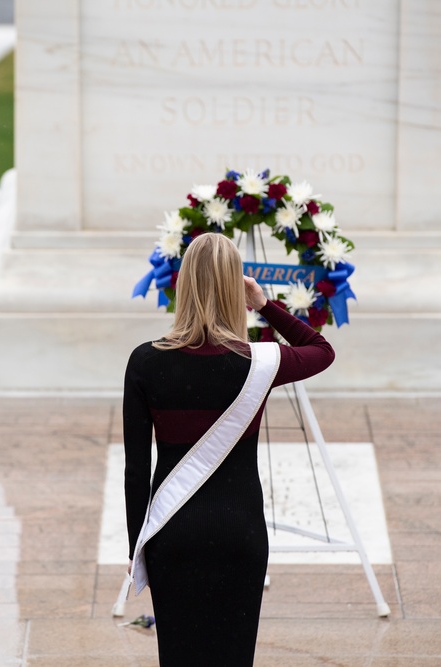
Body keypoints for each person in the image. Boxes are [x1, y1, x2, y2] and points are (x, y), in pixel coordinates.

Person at [123, 232, 335, 666]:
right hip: (240, 531)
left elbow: (136, 470)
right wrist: (263, 303)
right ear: (233, 289)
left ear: (182, 286)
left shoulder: (144, 361)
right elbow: (321, 350)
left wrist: (137, 549)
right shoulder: (261, 360)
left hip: (172, 533)